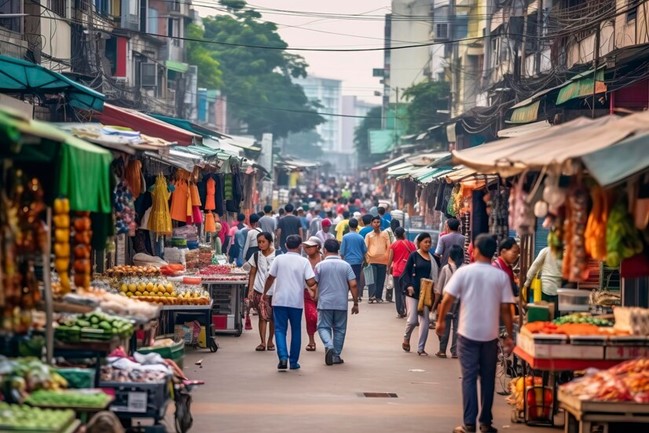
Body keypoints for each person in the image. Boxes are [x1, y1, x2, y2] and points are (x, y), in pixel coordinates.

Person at [436, 234, 515, 433]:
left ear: (476, 250)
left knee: (469, 378)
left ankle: (469, 423)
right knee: (487, 379)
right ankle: (486, 423)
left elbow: (447, 299)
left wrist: (440, 322)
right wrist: (510, 335)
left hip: (467, 334)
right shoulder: (501, 276)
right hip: (490, 336)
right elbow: (506, 309)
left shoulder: (464, 272)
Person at [263, 235, 317, 371]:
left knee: (280, 329)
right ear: (300, 247)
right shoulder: (304, 262)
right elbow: (311, 282)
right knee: (296, 330)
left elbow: (270, 277)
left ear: (286, 245)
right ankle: (293, 362)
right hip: (296, 301)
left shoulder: (279, 259)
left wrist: (264, 293)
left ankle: (282, 357)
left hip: (279, 299)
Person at [315, 239, 359, 366]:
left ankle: (328, 345)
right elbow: (354, 284)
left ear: (325, 250)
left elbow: (313, 283)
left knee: (323, 326)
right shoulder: (346, 266)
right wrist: (355, 303)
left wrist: (314, 295)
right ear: (338, 250)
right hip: (341, 303)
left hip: (324, 302)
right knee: (340, 329)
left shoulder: (320, 266)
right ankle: (336, 356)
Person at [401, 232, 439, 356]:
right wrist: (409, 286)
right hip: (413, 293)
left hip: (426, 294)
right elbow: (406, 273)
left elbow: (436, 277)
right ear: (419, 243)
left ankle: (421, 348)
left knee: (425, 321)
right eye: (425, 242)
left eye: (429, 242)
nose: (427, 244)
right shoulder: (414, 256)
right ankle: (406, 337)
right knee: (412, 321)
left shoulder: (433, 259)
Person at [247, 232, 277, 352]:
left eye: (263, 241)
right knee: (262, 317)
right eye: (259, 242)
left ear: (269, 242)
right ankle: (262, 342)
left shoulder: (278, 255)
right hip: (259, 290)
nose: (260, 244)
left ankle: (270, 340)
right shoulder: (256, 256)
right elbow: (252, 273)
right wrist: (250, 290)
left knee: (273, 318)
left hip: (274, 291)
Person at [434, 244, 465, 359]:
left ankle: (442, 351)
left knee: (445, 326)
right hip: (461, 301)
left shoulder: (446, 269)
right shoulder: (465, 268)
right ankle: (455, 351)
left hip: (447, 300)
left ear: (450, 255)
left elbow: (439, 288)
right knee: (457, 327)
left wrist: (435, 304)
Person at [388, 227, 416, 318]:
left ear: (395, 235)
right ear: (404, 234)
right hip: (409, 271)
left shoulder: (393, 245)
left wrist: (388, 269)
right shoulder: (411, 244)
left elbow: (390, 259)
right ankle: (409, 309)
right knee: (408, 290)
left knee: (398, 291)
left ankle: (400, 311)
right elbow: (415, 256)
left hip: (397, 271)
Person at [302, 236, 322, 352]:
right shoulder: (304, 261)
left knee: (325, 317)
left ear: (317, 247)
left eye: (310, 247)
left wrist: (317, 289)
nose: (307, 249)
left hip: (323, 292)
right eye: (306, 247)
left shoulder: (323, 259)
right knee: (310, 317)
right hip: (307, 292)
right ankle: (311, 341)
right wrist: (310, 290)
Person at [364, 215, 391, 303]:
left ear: (380, 223)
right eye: (374, 222)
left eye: (378, 222)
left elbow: (389, 247)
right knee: (372, 280)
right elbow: (365, 248)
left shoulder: (385, 234)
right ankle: (371, 297)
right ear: (371, 224)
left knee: (380, 280)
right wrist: (366, 259)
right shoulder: (368, 235)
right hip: (372, 260)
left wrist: (388, 260)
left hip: (383, 260)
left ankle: (378, 297)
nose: (376, 224)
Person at [340, 218, 367, 301]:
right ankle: (357, 296)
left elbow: (342, 251)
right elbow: (365, 250)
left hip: (347, 261)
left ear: (349, 226)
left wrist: (342, 259)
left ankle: (347, 295)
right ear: (357, 226)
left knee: (347, 279)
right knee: (357, 278)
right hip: (358, 261)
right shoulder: (360, 237)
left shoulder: (345, 237)